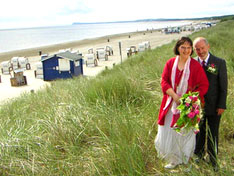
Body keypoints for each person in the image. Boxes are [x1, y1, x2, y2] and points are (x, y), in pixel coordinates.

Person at [154, 37, 209, 169]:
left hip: (187, 107)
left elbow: (203, 85)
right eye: (183, 47)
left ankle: (186, 160)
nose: (186, 50)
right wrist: (174, 95)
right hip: (170, 104)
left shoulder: (195, 66)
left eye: (189, 47)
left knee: (186, 134)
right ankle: (173, 160)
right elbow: (164, 81)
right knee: (170, 131)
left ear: (191, 50)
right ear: (178, 48)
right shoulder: (170, 63)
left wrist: (189, 98)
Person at [193, 37, 228, 170]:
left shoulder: (219, 62)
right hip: (197, 107)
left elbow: (223, 87)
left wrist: (221, 105)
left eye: (202, 48)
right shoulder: (192, 63)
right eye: (197, 49)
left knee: (213, 133)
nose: (200, 51)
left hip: (215, 106)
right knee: (199, 133)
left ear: (208, 47)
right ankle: (199, 156)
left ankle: (213, 161)